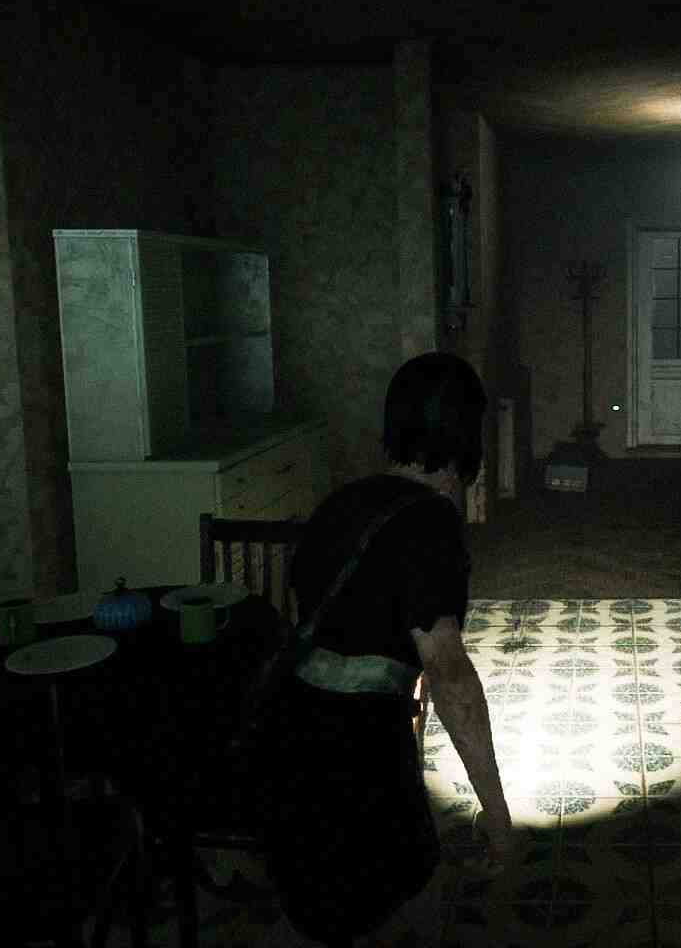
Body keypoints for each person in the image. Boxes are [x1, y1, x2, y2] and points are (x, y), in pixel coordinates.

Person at [251, 352, 516, 948]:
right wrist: (497, 816)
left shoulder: (339, 504)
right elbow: (451, 680)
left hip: (284, 745)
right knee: (406, 905)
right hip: (358, 756)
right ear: (467, 437)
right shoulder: (431, 524)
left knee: (315, 913)